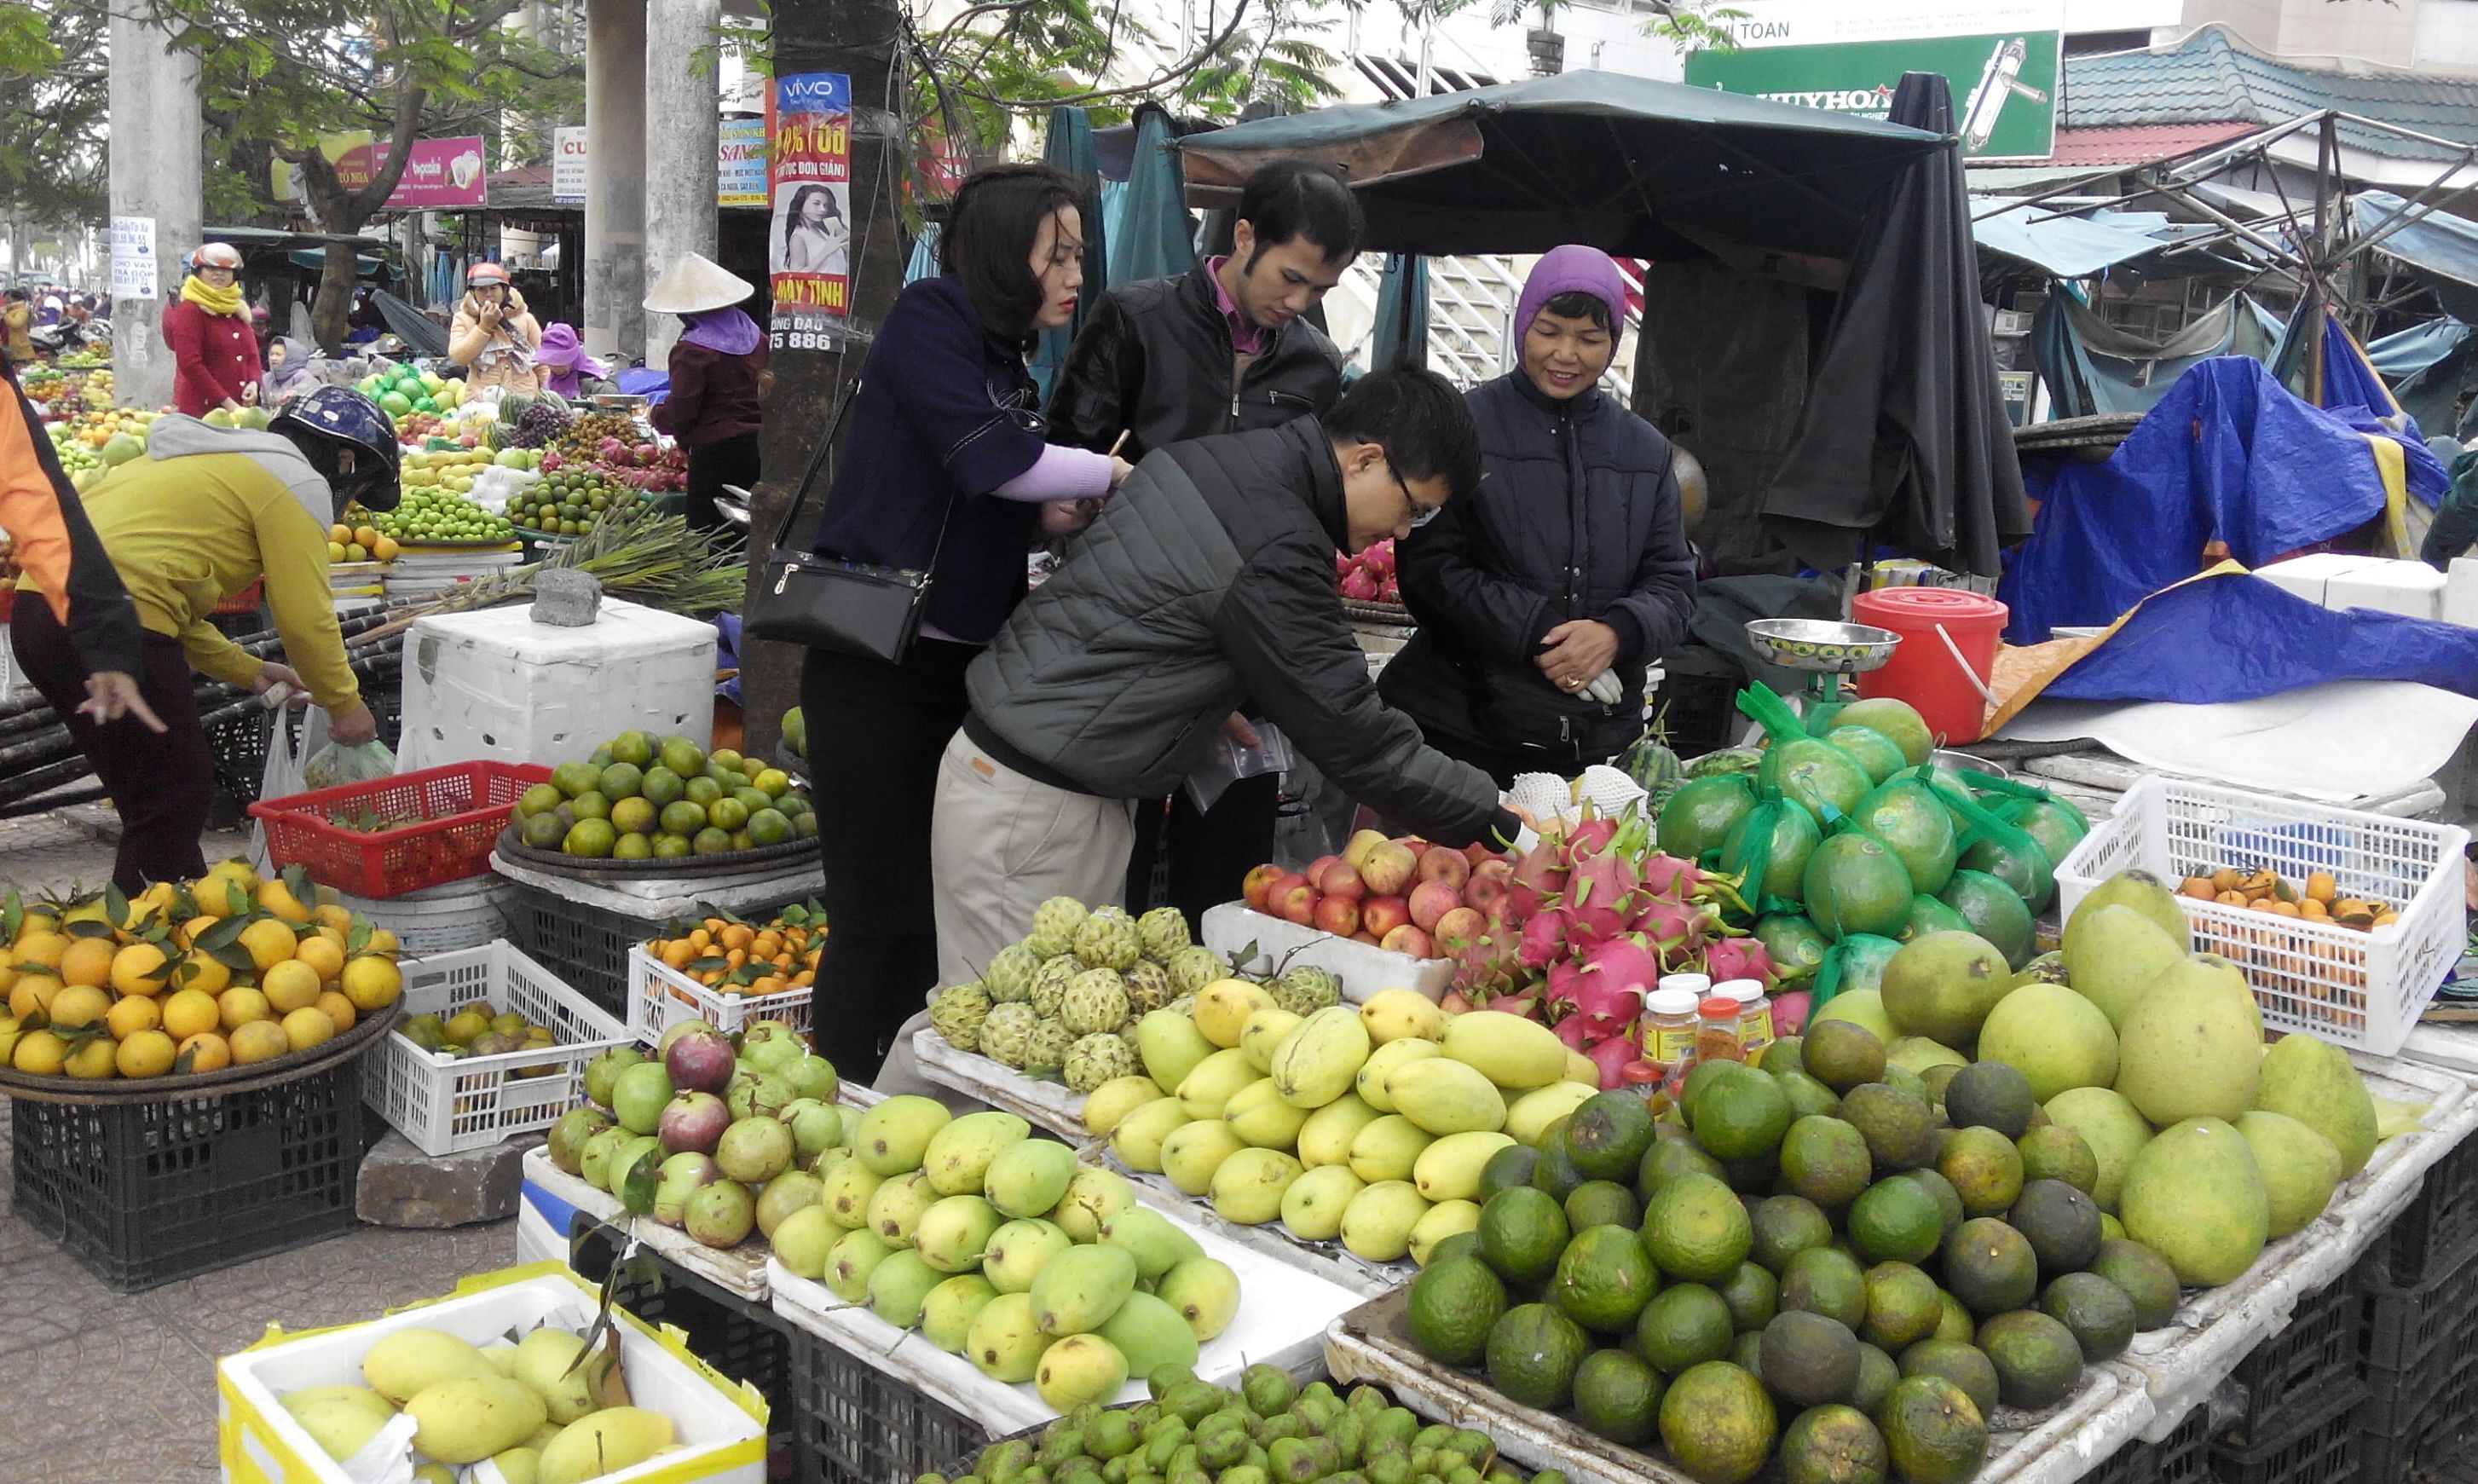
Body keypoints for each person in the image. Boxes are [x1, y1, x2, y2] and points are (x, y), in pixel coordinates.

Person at [930, 368, 1527, 986]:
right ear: (1365, 460)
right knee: (990, 1031)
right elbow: (1354, 734)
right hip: (1036, 803)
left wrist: (1192, 686)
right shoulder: (1278, 539)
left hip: (1040, 776)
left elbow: (1123, 599)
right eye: (1414, 509)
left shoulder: (1218, 460)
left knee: (1000, 1024)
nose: (1403, 532)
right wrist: (1497, 821)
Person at [800, 162, 1133, 1081]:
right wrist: (1106, 477)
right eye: (1057, 254)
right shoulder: (930, 319)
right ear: (998, 253)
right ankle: (841, 1100)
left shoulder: (1007, 354)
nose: (1074, 275)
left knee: (929, 909)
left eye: (1078, 256)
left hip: (955, 669)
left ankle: (904, 1099)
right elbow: (992, 459)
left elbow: (980, 488)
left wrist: (1042, 513)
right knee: (875, 910)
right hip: (875, 669)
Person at [1046, 159, 1365, 933]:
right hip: (1127, 654)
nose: (1297, 303)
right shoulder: (1135, 319)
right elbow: (1062, 475)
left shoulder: (1316, 368)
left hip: (1243, 670)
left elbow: (1309, 526)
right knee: (1104, 892)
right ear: (1244, 235)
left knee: (1224, 895)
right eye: (1290, 278)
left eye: (1319, 291)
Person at [12, 386, 397, 891]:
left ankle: (170, 919)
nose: (346, 511)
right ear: (345, 462)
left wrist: (250, 670)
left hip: (41, 616)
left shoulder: (207, 464)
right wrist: (344, 705)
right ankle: (148, 948)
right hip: (115, 628)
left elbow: (170, 601)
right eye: (359, 491)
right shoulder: (298, 481)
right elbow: (305, 617)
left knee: (152, 798)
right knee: (177, 792)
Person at [1378, 246, 1697, 786]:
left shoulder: (1644, 451)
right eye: (1549, 331)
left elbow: (1673, 581)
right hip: (1457, 728)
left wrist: (1617, 633)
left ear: (1614, 343)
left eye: (1591, 340)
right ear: (1523, 324)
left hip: (1592, 741)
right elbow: (1429, 570)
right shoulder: (1463, 427)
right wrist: (1541, 631)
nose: (1566, 354)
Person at [644, 255, 766, 540]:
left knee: (712, 540)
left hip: (716, 456)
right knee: (750, 535)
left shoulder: (692, 352)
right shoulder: (758, 339)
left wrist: (656, 415)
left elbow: (681, 413)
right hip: (760, 450)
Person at [163, 243, 262, 418]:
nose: (219, 273)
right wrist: (228, 403)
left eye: (226, 270)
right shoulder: (189, 309)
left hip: (239, 409)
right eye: (211, 268)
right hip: (203, 412)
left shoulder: (237, 308)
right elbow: (190, 364)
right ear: (198, 272)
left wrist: (254, 383)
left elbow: (252, 355)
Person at [448, 262, 542, 395]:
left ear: (504, 291)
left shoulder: (525, 319)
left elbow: (542, 360)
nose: (488, 294)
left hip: (524, 398)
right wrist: (484, 327)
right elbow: (458, 357)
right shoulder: (464, 319)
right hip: (482, 399)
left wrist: (547, 394)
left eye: (493, 288)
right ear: (473, 293)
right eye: (481, 290)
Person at [780, 184, 849, 275]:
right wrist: (826, 252)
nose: (822, 209)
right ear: (801, 203)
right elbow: (796, 276)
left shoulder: (824, 229)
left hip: (838, 287)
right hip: (818, 288)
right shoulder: (799, 236)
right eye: (816, 204)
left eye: (826, 205)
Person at [534, 322, 613, 400]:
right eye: (550, 361)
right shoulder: (549, 385)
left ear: (573, 357)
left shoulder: (601, 388)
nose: (554, 368)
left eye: (560, 361)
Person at [261, 335, 321, 405]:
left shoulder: (301, 375)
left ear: (290, 357)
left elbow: (313, 386)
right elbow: (264, 406)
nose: (273, 358)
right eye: (271, 354)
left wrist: (295, 392)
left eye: (278, 354)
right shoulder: (266, 379)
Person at [2, 289, 31, 366]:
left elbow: (16, 324)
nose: (6, 303)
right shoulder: (9, 311)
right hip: (8, 346)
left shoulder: (22, 311)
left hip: (19, 349)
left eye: (8, 300)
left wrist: (5, 315)